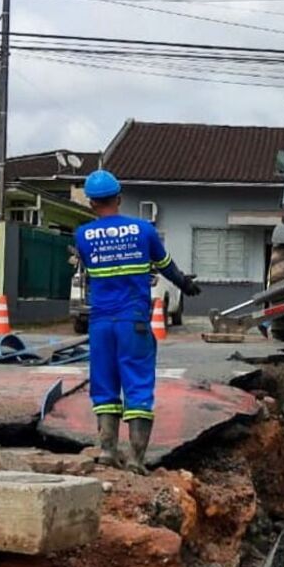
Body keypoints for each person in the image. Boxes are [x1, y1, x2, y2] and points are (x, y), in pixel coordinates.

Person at [75, 170, 201, 473]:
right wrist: (184, 283)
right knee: (138, 384)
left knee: (104, 384)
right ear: (119, 198)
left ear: (91, 203)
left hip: (101, 322)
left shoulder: (82, 235)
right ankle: (135, 458)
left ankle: (107, 450)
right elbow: (166, 266)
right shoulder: (143, 230)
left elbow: (88, 268)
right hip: (134, 321)